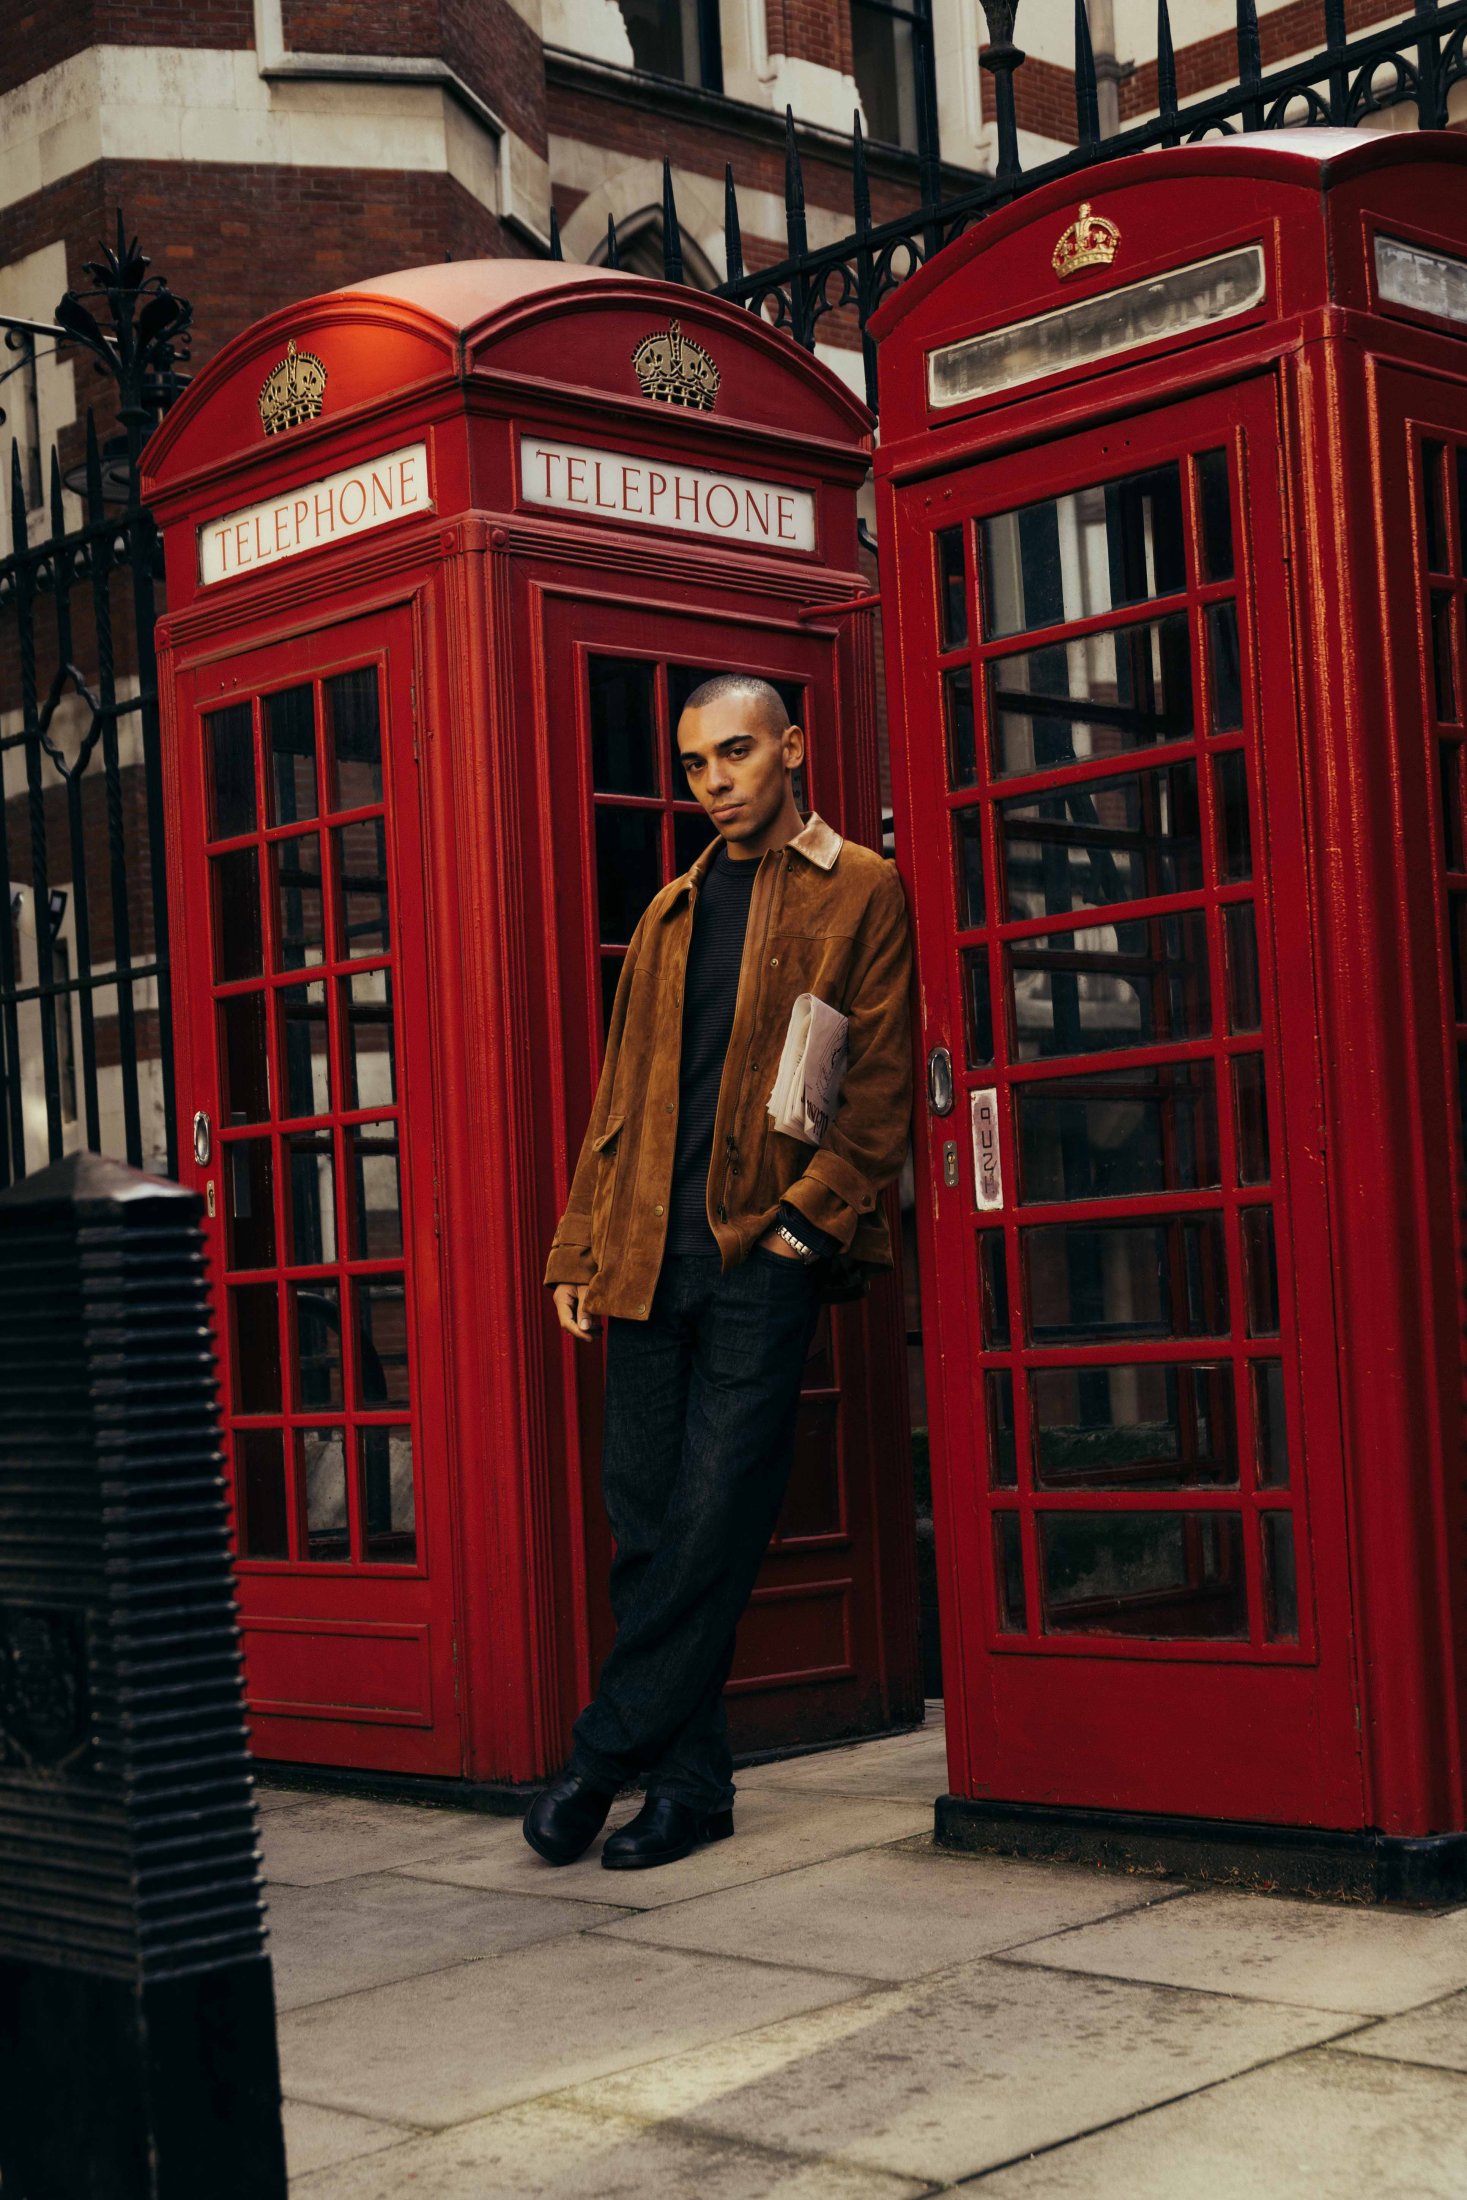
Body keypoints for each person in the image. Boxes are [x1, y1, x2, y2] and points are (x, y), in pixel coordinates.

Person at [525, 673, 913, 1871]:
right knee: (646, 1528)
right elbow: (621, 1101)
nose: (715, 781)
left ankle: (600, 1754)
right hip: (647, 1258)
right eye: (695, 765)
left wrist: (807, 1226)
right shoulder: (671, 910)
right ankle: (691, 1789)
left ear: (791, 746)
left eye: (736, 754)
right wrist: (579, 1247)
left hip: (762, 1252)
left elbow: (883, 1081)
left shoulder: (862, 890)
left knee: (714, 1516)